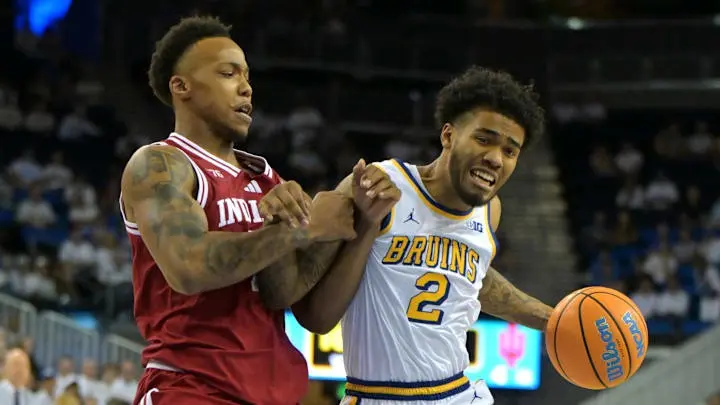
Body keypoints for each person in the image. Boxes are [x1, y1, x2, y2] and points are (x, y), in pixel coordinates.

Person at [119, 16, 381, 405]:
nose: (246, 87)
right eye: (228, 74)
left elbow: (280, 294)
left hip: (270, 390)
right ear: (181, 86)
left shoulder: (266, 178)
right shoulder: (161, 164)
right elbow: (188, 267)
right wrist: (303, 229)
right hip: (191, 386)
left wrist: (354, 218)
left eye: (247, 76)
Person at [276, 66, 555, 404]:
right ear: (448, 136)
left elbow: (471, 280)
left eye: (510, 151)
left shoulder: (489, 212)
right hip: (376, 395)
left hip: (457, 394)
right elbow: (316, 317)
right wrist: (367, 225)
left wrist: (551, 318)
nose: (496, 158)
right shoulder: (378, 185)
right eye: (483, 139)